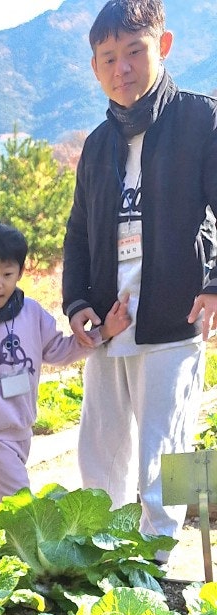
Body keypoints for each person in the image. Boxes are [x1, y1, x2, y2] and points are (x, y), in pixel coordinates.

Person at [62, 0, 217, 543]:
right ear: (95, 67)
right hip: (110, 318)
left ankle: (157, 558)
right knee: (101, 447)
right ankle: (104, 552)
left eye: (134, 52)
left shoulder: (201, 119)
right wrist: (77, 304)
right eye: (108, 58)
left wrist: (215, 282)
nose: (121, 68)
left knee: (165, 444)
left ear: (163, 46)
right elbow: (77, 232)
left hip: (173, 315)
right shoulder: (98, 144)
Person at [0, 222, 131, 519]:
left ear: (20, 273)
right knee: (20, 507)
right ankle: (23, 563)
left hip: (21, 430)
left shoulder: (31, 313)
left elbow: (59, 350)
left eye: (7, 275)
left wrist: (103, 332)